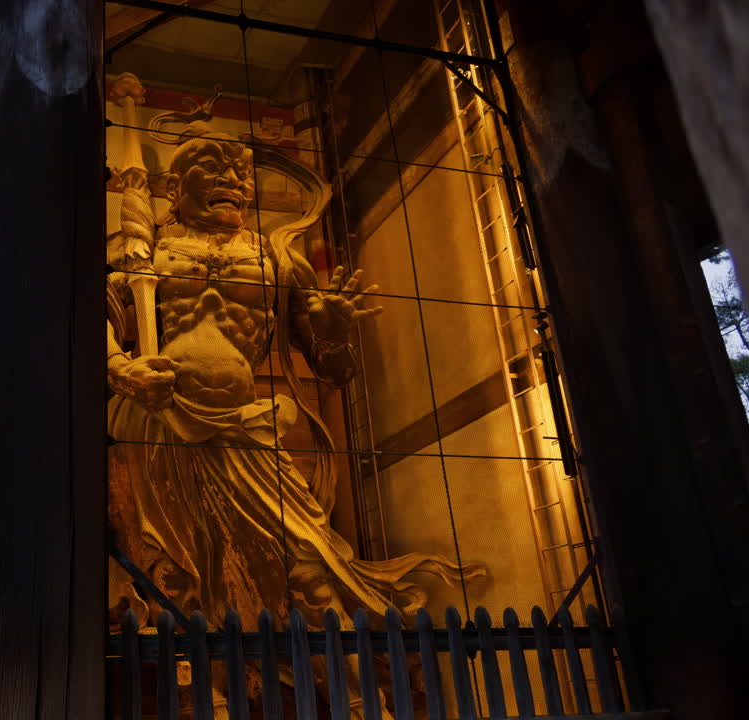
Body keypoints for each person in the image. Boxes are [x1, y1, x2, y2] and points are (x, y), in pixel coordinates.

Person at [106, 125, 479, 718]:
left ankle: (364, 704)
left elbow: (335, 370)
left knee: (308, 564)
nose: (233, 178)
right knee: (183, 575)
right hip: (159, 427)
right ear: (174, 187)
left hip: (247, 433)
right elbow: (98, 317)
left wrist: (333, 332)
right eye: (214, 165)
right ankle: (211, 703)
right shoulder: (145, 251)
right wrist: (122, 370)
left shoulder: (277, 257)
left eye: (241, 170)